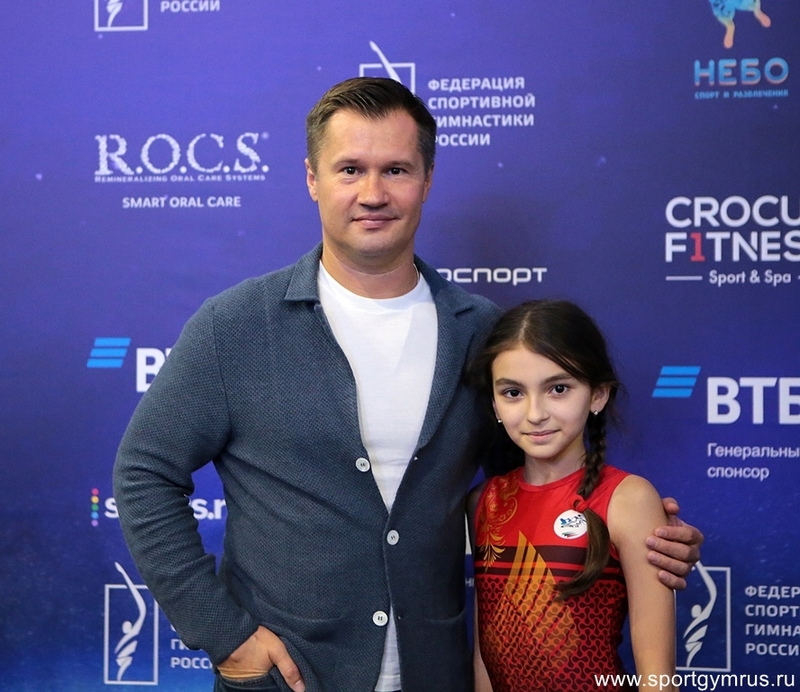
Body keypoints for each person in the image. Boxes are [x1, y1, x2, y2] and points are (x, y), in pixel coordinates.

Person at [113, 77, 700, 692]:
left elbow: (532, 483)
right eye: (350, 170)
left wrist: (636, 537)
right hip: (289, 678)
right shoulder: (234, 326)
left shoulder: (480, 331)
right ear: (312, 179)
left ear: (427, 180)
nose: (373, 193)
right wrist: (225, 635)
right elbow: (144, 473)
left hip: (437, 673)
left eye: (395, 169)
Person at [468, 300, 678, 692]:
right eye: (513, 392)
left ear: (597, 394)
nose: (535, 413)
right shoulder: (485, 501)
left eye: (558, 389)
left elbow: (657, 677)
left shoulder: (628, 499)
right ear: (494, 403)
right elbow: (485, 657)